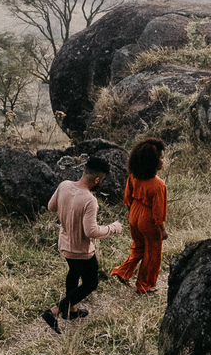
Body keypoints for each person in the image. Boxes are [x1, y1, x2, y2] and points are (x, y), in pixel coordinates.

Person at [40, 156, 123, 334]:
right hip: (80, 250)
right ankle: (54, 312)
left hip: (64, 244)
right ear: (97, 179)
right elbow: (91, 231)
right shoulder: (89, 200)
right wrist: (113, 228)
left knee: (74, 272)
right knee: (90, 283)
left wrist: (68, 210)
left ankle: (72, 311)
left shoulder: (64, 185)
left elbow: (51, 207)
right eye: (103, 180)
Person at [111, 137, 168, 295]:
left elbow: (127, 198)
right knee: (153, 252)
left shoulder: (133, 176)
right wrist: (163, 230)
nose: (163, 161)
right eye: (161, 158)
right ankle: (145, 284)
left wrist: (132, 215)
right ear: (153, 162)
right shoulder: (158, 184)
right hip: (148, 219)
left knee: (138, 246)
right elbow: (158, 213)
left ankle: (123, 272)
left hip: (134, 214)